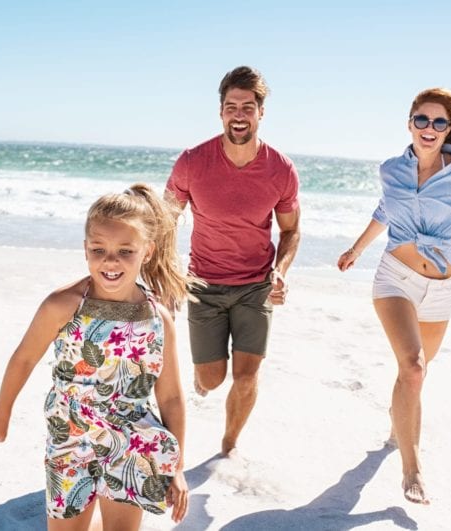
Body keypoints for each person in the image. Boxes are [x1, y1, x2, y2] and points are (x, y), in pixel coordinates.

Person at [337, 87, 451, 505]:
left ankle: (396, 424)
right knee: (414, 368)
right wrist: (356, 249)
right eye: (422, 120)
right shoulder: (391, 171)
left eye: (439, 122)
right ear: (410, 124)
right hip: (395, 278)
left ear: (447, 129)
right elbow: (386, 210)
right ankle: (411, 469)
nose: (429, 128)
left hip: (441, 289)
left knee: (413, 376)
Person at [0, 183, 194, 530]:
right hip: (70, 438)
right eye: (99, 249)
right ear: (85, 250)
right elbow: (24, 358)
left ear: (147, 251)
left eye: (125, 251)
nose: (110, 261)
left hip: (132, 443)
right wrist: (1, 411)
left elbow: (170, 396)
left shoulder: (159, 319)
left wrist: (177, 466)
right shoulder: (63, 305)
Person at [165, 65, 301, 456]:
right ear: (221, 111)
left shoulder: (281, 169)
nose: (239, 115)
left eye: (247, 107)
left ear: (260, 113)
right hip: (203, 284)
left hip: (255, 286)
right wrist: (168, 271)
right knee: (211, 379)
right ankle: (202, 374)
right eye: (231, 106)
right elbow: (166, 219)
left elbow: (291, 230)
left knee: (246, 377)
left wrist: (280, 271)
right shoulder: (192, 162)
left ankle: (228, 443)